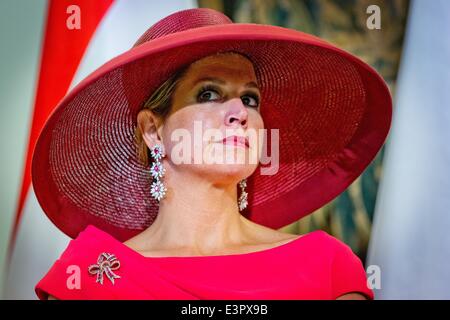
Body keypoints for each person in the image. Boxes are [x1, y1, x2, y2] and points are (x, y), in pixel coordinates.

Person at [32, 8, 391, 300]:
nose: (240, 112)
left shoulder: (325, 266)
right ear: (154, 130)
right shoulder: (90, 272)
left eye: (250, 98)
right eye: (208, 94)